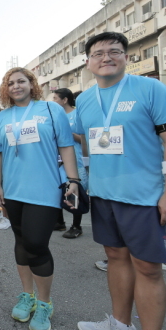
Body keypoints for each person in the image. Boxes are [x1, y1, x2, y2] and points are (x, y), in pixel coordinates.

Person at [74, 32, 166, 330]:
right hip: (103, 195)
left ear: (126, 57)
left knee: (148, 268)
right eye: (98, 53)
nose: (106, 57)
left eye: (114, 51)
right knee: (115, 257)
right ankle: (121, 326)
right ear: (88, 62)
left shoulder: (151, 89)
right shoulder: (84, 99)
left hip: (145, 196)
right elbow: (81, 136)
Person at [0, 67, 79, 330]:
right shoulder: (2, 117)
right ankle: (27, 296)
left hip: (44, 189)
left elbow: (66, 145)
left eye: (21, 81)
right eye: (10, 83)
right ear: (5, 89)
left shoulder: (51, 111)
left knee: (37, 244)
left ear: (32, 84)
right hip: (13, 191)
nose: (16, 86)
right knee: (21, 242)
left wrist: (74, 181)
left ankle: (44, 303)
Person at [52, 88, 89, 239]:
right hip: (58, 162)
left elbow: (84, 140)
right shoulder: (54, 116)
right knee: (58, 190)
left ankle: (76, 226)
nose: (53, 101)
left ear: (65, 100)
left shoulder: (77, 114)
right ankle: (59, 222)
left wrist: (69, 134)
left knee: (74, 192)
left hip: (76, 161)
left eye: (55, 98)